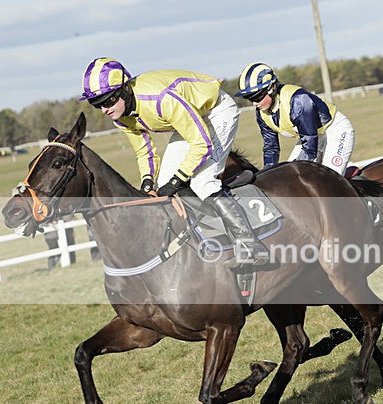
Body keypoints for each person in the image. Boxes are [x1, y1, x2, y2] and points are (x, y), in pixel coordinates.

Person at [80, 57, 267, 266]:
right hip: (191, 119)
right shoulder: (121, 116)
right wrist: (148, 182)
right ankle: (214, 230)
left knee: (202, 181)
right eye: (97, 105)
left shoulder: (161, 99)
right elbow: (144, 151)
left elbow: (201, 144)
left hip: (216, 111)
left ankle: (251, 245)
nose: (105, 109)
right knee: (164, 182)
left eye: (108, 101)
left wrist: (178, 179)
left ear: (124, 90)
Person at [235, 62, 355, 175]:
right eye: (249, 98)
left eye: (257, 97)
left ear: (271, 88)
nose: (255, 103)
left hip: (335, 131)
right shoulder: (261, 113)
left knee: (329, 179)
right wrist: (266, 174)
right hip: (312, 137)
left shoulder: (298, 100)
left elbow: (309, 149)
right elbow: (271, 148)